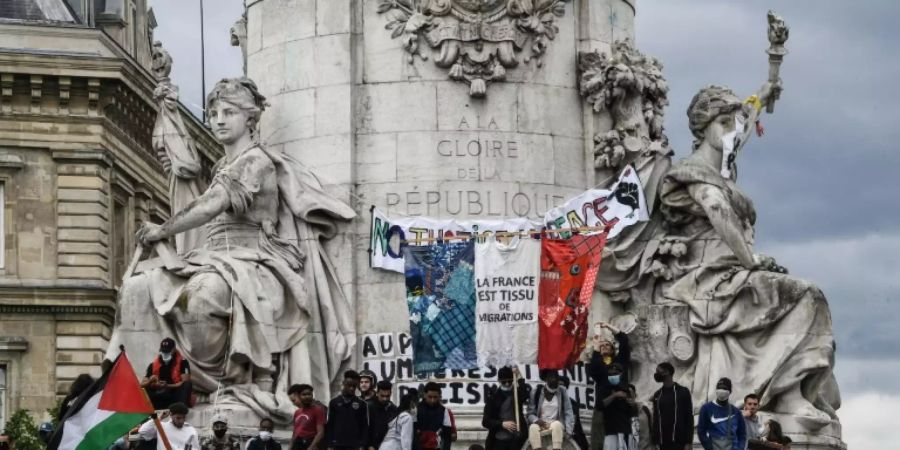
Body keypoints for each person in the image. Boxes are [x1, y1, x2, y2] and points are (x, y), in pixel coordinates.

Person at [105, 76, 357, 421]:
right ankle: (153, 390)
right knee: (136, 289)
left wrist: (163, 229)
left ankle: (235, 380)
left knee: (203, 296)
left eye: (229, 112)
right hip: (214, 258)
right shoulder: (222, 166)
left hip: (254, 260)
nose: (218, 120)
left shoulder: (256, 162)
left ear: (250, 119)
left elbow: (211, 204)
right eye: (213, 113)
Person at [657, 83, 839, 429]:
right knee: (807, 296)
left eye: (734, 123)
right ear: (703, 127)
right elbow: (716, 209)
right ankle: (787, 393)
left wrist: (768, 84)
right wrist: (750, 259)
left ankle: (790, 390)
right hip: (709, 274)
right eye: (723, 123)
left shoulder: (723, 167)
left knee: (802, 295)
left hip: (733, 268)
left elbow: (744, 127)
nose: (732, 131)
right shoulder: (694, 172)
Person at [588, 322, 630, 450]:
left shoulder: (620, 361)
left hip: (620, 409)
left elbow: (624, 340)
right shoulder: (597, 364)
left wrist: (608, 326)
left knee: (622, 443)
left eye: (608, 345)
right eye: (602, 346)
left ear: (612, 349)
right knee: (600, 443)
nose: (604, 346)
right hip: (603, 409)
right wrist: (596, 347)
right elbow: (595, 370)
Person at [526, 369, 574, 450]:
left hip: (556, 423)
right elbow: (530, 414)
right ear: (546, 379)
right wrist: (536, 420)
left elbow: (568, 411)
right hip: (541, 424)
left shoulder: (562, 391)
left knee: (556, 425)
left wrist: (569, 431)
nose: (554, 380)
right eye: (551, 377)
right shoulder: (536, 392)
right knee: (533, 427)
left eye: (556, 377)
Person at [650, 363, 693, 450]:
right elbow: (655, 419)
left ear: (667, 372)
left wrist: (689, 442)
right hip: (662, 443)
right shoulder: (657, 395)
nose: (656, 374)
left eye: (659, 371)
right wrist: (654, 442)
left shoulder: (683, 392)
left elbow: (689, 417)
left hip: (679, 442)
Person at [482, 367, 527, 450]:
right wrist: (502, 424)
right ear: (499, 380)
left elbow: (525, 394)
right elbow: (485, 421)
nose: (507, 384)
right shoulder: (493, 398)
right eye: (504, 381)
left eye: (509, 381)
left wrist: (519, 376)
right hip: (498, 440)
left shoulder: (516, 394)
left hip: (516, 439)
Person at [141, 338, 192, 410]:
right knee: (144, 389)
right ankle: (149, 408)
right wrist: (150, 381)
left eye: (168, 351)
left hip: (175, 394)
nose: (165, 354)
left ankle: (180, 408)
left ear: (174, 349)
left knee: (187, 384)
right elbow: (141, 384)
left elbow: (185, 381)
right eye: (163, 351)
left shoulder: (183, 362)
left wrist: (167, 386)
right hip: (159, 395)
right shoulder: (153, 365)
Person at [324, 370, 369, 450]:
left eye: (354, 386)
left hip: (355, 445)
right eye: (349, 385)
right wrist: (329, 445)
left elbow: (364, 426)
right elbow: (330, 425)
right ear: (344, 383)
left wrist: (362, 445)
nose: (352, 388)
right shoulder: (334, 402)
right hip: (337, 444)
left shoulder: (362, 404)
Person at [697, 378, 746, 450]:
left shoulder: (736, 412)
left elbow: (742, 434)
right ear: (716, 390)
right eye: (719, 388)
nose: (722, 390)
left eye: (725, 388)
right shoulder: (706, 409)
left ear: (730, 391)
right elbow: (701, 432)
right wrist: (710, 447)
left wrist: (740, 448)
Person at [601, 363, 636, 450]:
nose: (612, 376)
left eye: (615, 374)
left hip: (625, 431)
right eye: (610, 374)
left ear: (621, 374)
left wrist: (632, 403)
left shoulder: (627, 389)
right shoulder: (605, 389)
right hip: (610, 431)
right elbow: (600, 405)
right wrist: (614, 396)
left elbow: (633, 412)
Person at [288, 384, 326, 450]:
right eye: (304, 395)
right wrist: (290, 446)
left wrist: (311, 447)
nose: (307, 397)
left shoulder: (318, 410)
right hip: (298, 443)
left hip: (309, 442)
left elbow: (320, 432)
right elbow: (295, 432)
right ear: (299, 396)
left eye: (309, 394)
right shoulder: (297, 412)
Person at [417, 382, 453, 450]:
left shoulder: (444, 411)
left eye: (435, 397)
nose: (432, 400)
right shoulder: (416, 410)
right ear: (424, 395)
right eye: (430, 397)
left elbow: (447, 436)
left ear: (439, 396)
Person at [559, 376, 588, 450]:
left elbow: (576, 425)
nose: (560, 387)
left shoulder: (573, 404)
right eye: (558, 385)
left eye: (562, 385)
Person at [368, 380, 398, 450]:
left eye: (387, 396)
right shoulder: (368, 407)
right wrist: (369, 445)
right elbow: (363, 429)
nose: (385, 399)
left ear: (390, 394)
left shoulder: (393, 408)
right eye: (382, 396)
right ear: (377, 393)